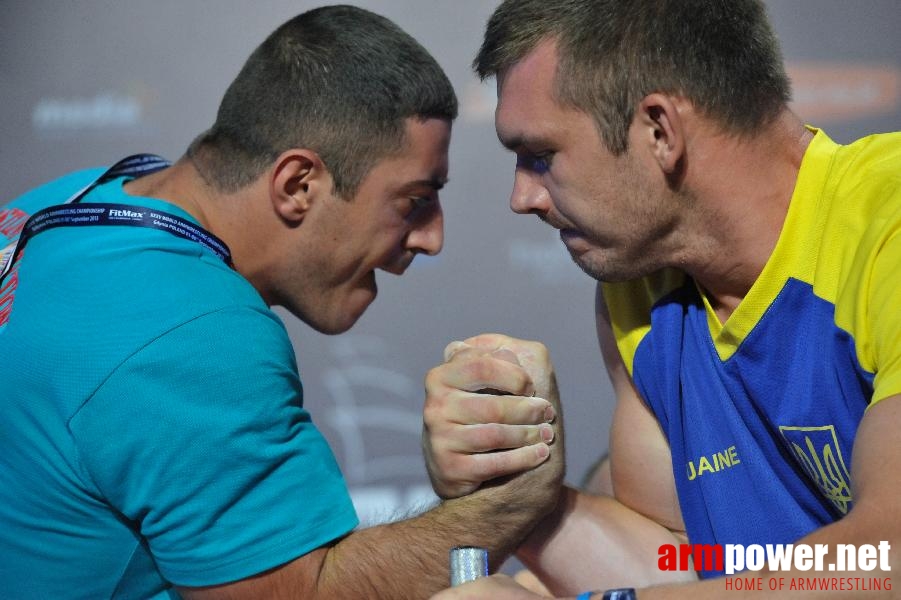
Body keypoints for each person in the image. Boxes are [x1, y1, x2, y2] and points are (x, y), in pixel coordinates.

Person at [0, 5, 564, 599]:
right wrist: (511, 503)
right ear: (298, 186)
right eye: (414, 200)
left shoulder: (71, 199)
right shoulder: (194, 331)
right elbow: (302, 593)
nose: (432, 237)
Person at [423, 0, 901, 598]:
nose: (522, 197)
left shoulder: (888, 227)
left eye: (540, 156)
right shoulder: (638, 292)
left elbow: (890, 559)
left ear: (658, 131)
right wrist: (514, 492)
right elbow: (690, 567)